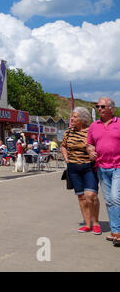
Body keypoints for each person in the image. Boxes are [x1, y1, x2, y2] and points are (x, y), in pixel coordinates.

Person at [61, 107, 101, 235]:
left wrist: (94, 153)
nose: (71, 119)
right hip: (73, 168)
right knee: (81, 197)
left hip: (89, 167)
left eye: (75, 117)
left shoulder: (91, 130)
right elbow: (63, 146)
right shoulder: (69, 131)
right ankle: (87, 224)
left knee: (91, 196)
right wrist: (67, 159)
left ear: (83, 119)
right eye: (72, 116)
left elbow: (98, 146)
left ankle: (96, 223)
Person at [87, 97, 120, 246]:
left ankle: (117, 231)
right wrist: (90, 150)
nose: (99, 109)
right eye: (97, 106)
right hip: (101, 167)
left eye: (102, 106)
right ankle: (115, 231)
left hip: (118, 166)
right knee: (109, 201)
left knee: (115, 198)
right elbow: (89, 144)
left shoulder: (119, 123)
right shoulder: (94, 126)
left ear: (111, 108)